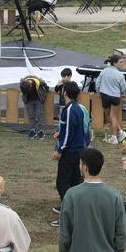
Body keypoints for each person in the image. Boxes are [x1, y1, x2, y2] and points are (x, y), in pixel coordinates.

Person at [51, 81, 90, 226]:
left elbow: (68, 133)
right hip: (79, 150)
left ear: (65, 92)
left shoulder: (68, 110)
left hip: (70, 152)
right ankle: (77, 211)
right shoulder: (79, 108)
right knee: (74, 182)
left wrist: (60, 150)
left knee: (62, 182)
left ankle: (68, 214)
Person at [97, 54, 126, 144]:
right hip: (115, 96)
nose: (122, 64)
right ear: (114, 63)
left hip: (105, 95)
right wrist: (120, 92)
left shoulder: (104, 71)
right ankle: (119, 133)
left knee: (109, 116)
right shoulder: (120, 75)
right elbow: (123, 88)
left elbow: (97, 83)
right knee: (113, 116)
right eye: (121, 62)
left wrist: (99, 92)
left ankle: (115, 136)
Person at [20, 74, 47, 139]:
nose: (28, 92)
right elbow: (23, 91)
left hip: (38, 100)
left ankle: (41, 131)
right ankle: (32, 131)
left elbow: (45, 84)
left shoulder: (38, 81)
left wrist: (46, 88)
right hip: (29, 101)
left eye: (28, 91)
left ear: (31, 85)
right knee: (31, 116)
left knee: (39, 115)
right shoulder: (23, 83)